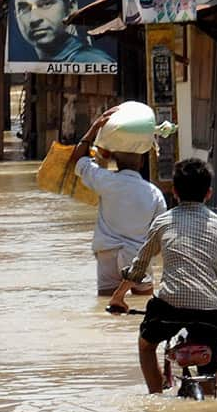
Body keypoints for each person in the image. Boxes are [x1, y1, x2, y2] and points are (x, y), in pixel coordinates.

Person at [109, 158, 217, 394]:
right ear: (209, 193)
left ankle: (155, 395)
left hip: (169, 307)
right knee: (211, 356)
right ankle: (210, 392)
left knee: (146, 345)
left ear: (174, 192)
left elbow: (139, 266)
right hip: (210, 308)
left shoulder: (163, 222)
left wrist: (118, 297)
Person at [70, 106, 167, 296]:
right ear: (141, 162)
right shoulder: (154, 193)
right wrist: (148, 259)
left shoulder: (105, 181)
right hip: (138, 255)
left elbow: (78, 160)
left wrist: (94, 128)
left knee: (107, 307)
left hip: (108, 254)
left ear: (114, 159)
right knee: (142, 305)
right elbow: (161, 235)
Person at [12, 0, 114, 64]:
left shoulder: (92, 61)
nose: (34, 19)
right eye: (24, 8)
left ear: (70, 7)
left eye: (46, 4)